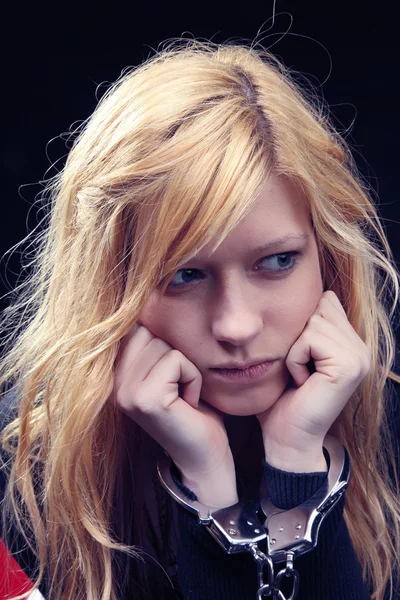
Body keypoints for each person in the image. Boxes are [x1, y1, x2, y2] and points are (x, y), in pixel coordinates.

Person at [0, 38, 399, 600]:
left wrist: (297, 476)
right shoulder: (23, 465)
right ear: (111, 283)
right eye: (184, 276)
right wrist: (209, 490)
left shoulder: (389, 427)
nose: (235, 327)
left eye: (277, 262)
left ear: (328, 256)